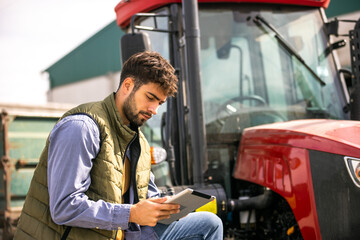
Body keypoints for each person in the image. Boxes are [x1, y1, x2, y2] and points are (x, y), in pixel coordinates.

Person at [14, 51, 223, 240]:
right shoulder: (82, 128)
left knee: (209, 224)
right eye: (150, 97)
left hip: (122, 233)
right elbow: (64, 207)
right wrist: (131, 213)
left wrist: (163, 205)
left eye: (159, 103)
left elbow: (146, 197)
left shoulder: (138, 139)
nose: (154, 110)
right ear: (127, 86)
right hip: (78, 235)